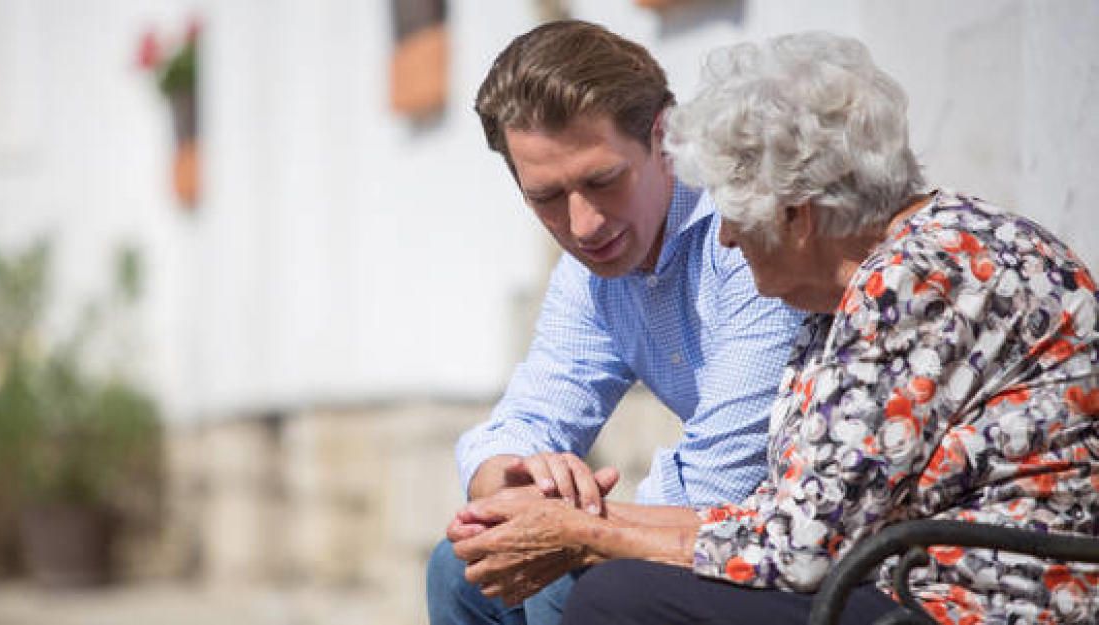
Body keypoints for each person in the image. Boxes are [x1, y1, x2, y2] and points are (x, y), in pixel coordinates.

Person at [450, 31, 1099, 625]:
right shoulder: (859, 290)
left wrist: (582, 529)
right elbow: (800, 515)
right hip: (902, 572)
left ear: (799, 216)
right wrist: (539, 513)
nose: (725, 236)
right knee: (491, 574)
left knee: (614, 596)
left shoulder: (921, 276)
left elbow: (799, 543)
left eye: (737, 215)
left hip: (983, 600)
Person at [426, 20, 806, 625]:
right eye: (546, 197)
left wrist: (564, 526)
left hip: (789, 546)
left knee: (564, 578)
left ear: (662, 137)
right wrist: (509, 481)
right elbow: (531, 414)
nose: (583, 225)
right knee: (461, 565)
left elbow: (722, 485)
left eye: (602, 181)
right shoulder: (592, 268)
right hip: (712, 535)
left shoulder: (746, 233)